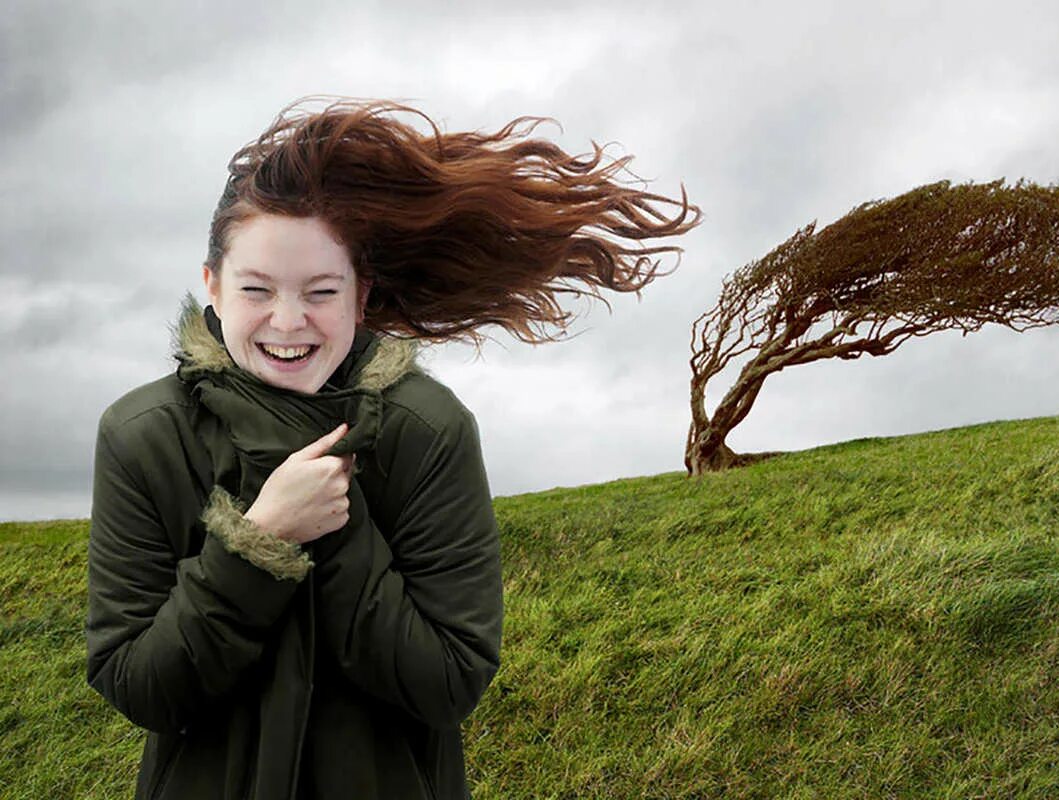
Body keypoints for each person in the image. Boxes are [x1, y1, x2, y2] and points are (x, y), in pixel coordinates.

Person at [85, 95, 701, 800]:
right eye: (257, 289)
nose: (289, 322)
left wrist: (337, 528)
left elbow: (449, 679)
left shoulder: (428, 431)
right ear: (213, 288)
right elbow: (139, 685)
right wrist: (259, 542)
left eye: (321, 290)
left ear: (360, 295)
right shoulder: (140, 436)